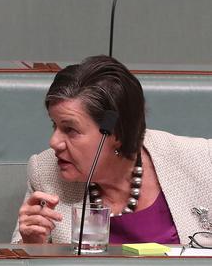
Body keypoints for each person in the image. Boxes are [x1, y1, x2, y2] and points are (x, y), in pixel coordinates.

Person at [12, 55, 212, 244]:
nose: (54, 142)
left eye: (70, 129)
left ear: (115, 132)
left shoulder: (203, 160)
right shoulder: (45, 172)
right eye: (54, 125)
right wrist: (32, 244)